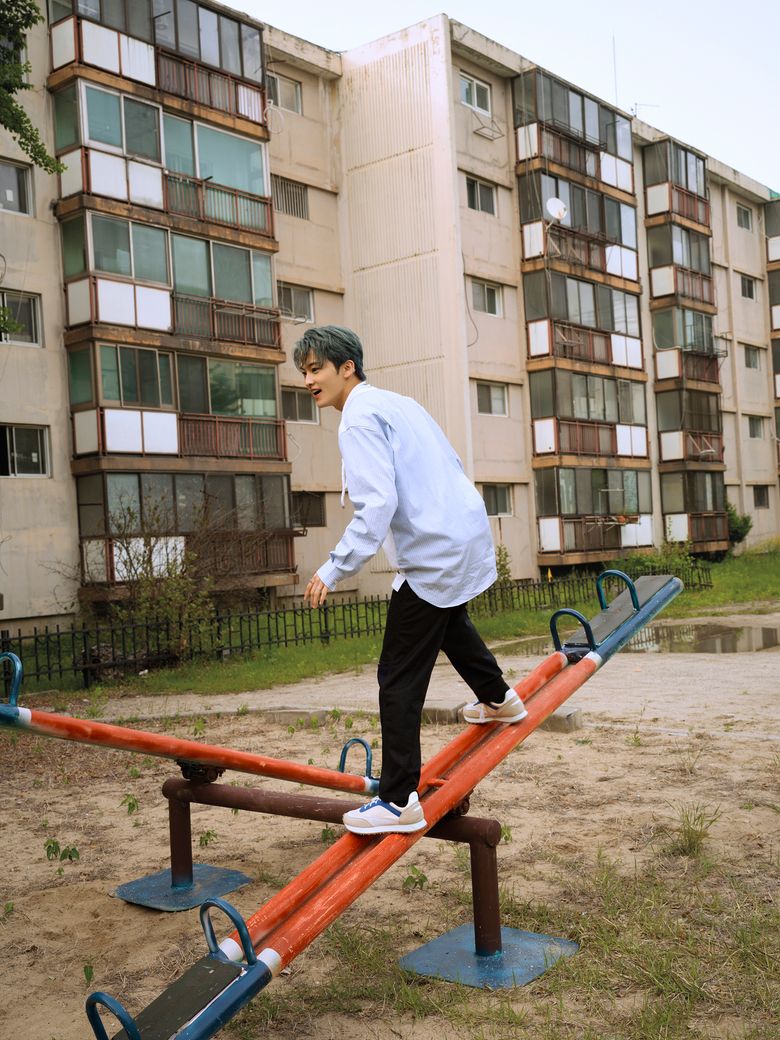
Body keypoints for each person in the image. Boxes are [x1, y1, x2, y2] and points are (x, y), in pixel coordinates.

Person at [294, 326, 526, 836]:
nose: (309, 380)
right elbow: (451, 462)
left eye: (317, 369)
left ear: (347, 366)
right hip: (463, 531)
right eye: (304, 372)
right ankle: (499, 699)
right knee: (444, 620)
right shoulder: (398, 403)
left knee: (397, 678)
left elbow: (377, 504)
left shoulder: (357, 419)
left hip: (436, 548)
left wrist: (334, 567)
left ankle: (399, 799)